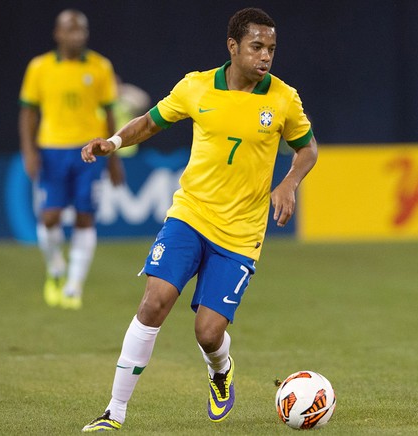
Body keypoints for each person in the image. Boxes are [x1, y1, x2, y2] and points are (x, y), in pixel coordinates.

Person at [80, 8, 318, 431]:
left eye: (272, 49)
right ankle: (113, 412)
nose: (266, 56)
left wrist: (289, 183)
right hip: (190, 214)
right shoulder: (195, 86)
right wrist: (114, 141)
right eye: (257, 47)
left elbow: (308, 149)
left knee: (207, 333)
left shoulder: (283, 98)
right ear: (233, 47)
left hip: (241, 233)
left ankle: (220, 369)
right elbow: (151, 122)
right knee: (154, 301)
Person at [19, 9, 124, 310]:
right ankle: (55, 270)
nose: (76, 35)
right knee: (50, 216)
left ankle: (73, 287)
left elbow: (109, 113)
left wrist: (114, 158)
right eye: (70, 29)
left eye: (81, 30)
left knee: (84, 216)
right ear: (58, 34)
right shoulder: (39, 67)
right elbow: (28, 112)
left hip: (88, 151)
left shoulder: (100, 66)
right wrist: (29, 151)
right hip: (52, 149)